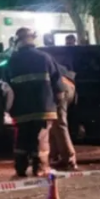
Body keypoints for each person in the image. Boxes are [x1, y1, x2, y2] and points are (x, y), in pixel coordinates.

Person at [5, 27, 63, 177]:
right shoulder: (45, 58)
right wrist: (58, 102)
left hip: (21, 110)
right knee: (41, 138)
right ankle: (40, 167)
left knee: (22, 138)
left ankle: (20, 167)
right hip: (43, 108)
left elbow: (5, 86)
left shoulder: (12, 61)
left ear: (18, 42)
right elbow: (58, 84)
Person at [50, 62, 78, 171]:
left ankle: (70, 159)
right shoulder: (41, 59)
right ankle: (57, 156)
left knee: (59, 122)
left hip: (61, 85)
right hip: (67, 83)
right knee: (53, 122)